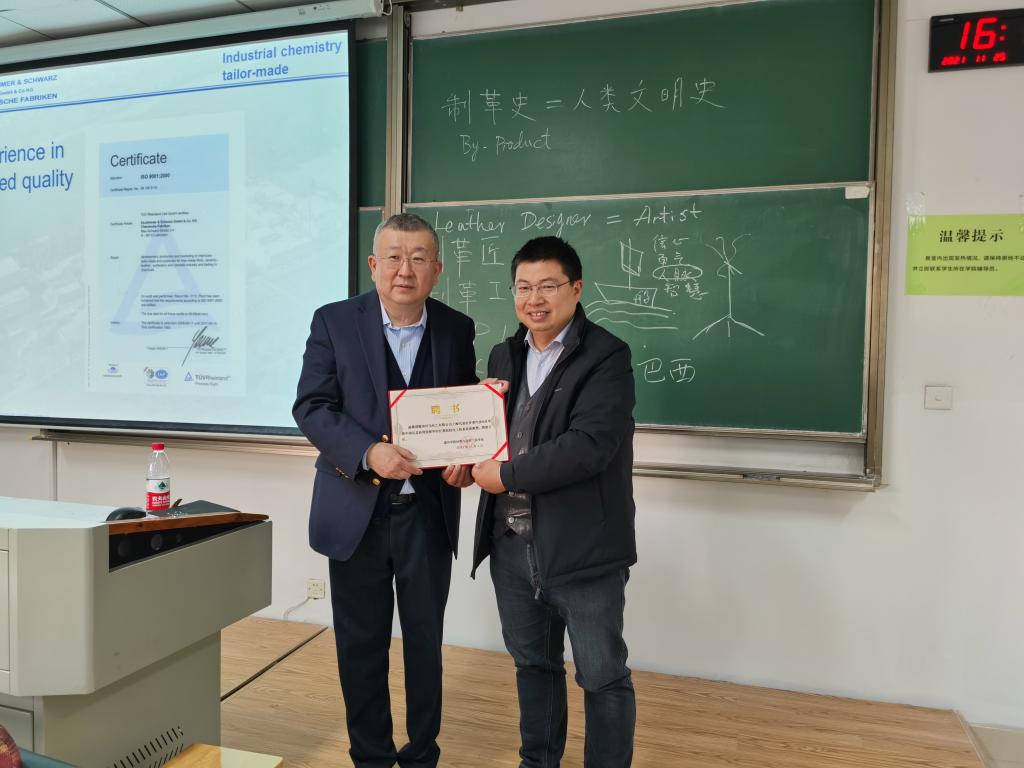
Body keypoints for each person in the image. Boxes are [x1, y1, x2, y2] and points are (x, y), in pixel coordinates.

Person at [293, 213, 477, 768]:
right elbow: (312, 406)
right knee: (361, 645)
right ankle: (370, 756)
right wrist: (368, 452)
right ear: (373, 266)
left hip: (428, 514)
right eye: (394, 258)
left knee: (425, 644)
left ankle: (422, 754)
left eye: (418, 259)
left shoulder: (456, 328)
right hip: (357, 512)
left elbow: (465, 412)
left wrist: (467, 459)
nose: (405, 270)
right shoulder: (333, 322)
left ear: (437, 270)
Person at [471, 236, 638, 768]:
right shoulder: (504, 354)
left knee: (602, 675)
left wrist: (504, 474)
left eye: (548, 286)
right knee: (533, 666)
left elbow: (589, 447)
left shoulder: (607, 356)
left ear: (576, 288)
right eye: (523, 287)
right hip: (510, 545)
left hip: (582, 549)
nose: (534, 299)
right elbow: (493, 439)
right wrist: (464, 461)